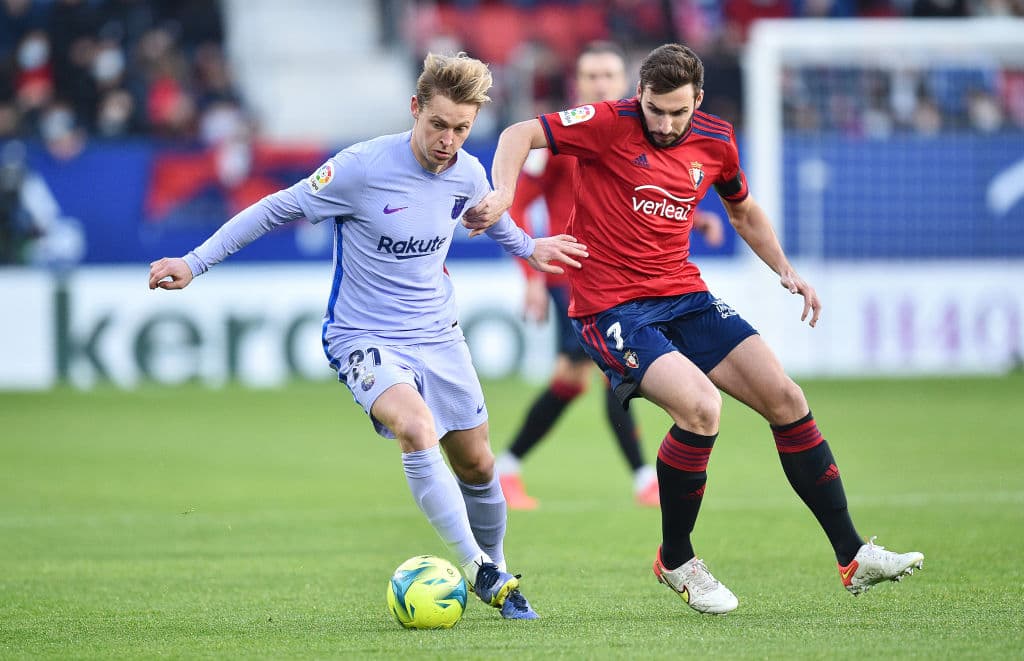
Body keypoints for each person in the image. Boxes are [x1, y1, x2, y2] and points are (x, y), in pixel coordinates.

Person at [468, 43, 924, 614]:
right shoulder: (609, 123)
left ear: (698, 101)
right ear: (640, 96)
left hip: (684, 295)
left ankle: (853, 555)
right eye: (654, 109)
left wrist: (786, 270)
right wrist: (505, 197)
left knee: (786, 398)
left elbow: (744, 211)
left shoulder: (717, 139)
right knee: (702, 408)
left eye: (676, 112)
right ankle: (677, 559)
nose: (663, 124)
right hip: (611, 307)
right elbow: (516, 134)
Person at [148, 52, 590, 620]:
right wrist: (194, 262)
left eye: (461, 128)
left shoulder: (468, 172)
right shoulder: (359, 168)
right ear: (415, 109)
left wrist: (530, 248)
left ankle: (498, 570)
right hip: (364, 336)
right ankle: (480, 569)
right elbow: (272, 210)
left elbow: (487, 216)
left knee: (478, 464)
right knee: (415, 426)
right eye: (438, 125)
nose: (448, 140)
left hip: (439, 334)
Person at [495, 41, 725, 510]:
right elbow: (519, 201)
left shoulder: (636, 132)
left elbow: (653, 195)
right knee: (606, 377)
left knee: (575, 379)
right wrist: (531, 273)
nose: (600, 84)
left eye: (608, 76)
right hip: (575, 279)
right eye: (590, 76)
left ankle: (510, 468)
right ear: (577, 84)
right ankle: (643, 479)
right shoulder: (565, 136)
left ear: (626, 84)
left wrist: (695, 218)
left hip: (622, 284)